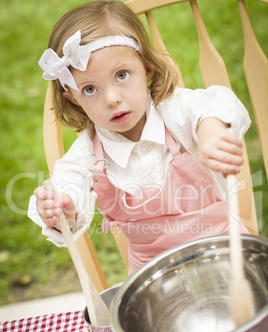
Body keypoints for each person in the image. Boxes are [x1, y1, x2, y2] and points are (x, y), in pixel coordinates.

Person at [28, 0, 251, 275]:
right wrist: (63, 207)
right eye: (89, 89)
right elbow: (69, 181)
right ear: (72, 98)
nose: (111, 99)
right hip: (155, 276)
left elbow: (215, 103)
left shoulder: (176, 113)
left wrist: (211, 129)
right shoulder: (88, 153)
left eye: (122, 75)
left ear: (146, 68)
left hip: (226, 252)